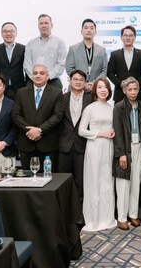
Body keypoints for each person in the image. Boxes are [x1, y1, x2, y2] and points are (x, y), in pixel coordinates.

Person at [78, 78, 116, 232]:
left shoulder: (112, 108)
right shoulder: (90, 108)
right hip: (94, 147)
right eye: (99, 87)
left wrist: (112, 133)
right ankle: (93, 219)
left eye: (105, 87)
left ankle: (107, 218)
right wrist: (101, 134)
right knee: (94, 180)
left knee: (107, 180)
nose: (103, 90)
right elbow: (81, 131)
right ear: (95, 90)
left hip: (109, 147)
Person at [12, 63, 65, 169]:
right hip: (26, 143)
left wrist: (39, 130)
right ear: (32, 76)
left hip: (47, 144)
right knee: (27, 177)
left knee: (48, 177)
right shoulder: (21, 92)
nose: (38, 75)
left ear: (47, 76)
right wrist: (31, 131)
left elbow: (57, 115)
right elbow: (16, 115)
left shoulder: (57, 93)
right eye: (35, 73)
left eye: (42, 73)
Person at [113, 77, 141, 231]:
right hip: (125, 148)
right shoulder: (119, 107)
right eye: (129, 89)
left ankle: (133, 214)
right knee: (123, 183)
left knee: (136, 181)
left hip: (139, 146)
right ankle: (122, 218)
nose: (133, 92)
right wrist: (121, 154)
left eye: (135, 89)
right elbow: (118, 132)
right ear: (124, 91)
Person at [57, 69, 91, 203]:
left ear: (85, 82)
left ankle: (79, 210)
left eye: (81, 80)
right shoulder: (61, 98)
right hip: (64, 146)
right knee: (63, 180)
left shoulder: (90, 98)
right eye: (75, 79)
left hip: (83, 145)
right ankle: (64, 209)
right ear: (69, 81)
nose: (78, 82)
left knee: (81, 181)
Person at [23, 14, 66, 90]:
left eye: (46, 23)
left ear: (51, 25)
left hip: (52, 80)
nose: (44, 25)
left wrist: (47, 76)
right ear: (38, 26)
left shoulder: (59, 43)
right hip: (33, 80)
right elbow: (27, 64)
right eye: (41, 23)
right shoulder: (30, 43)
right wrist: (36, 77)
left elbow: (61, 64)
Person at [66, 19, 108, 92]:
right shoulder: (73, 49)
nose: (89, 30)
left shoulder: (102, 50)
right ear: (81, 31)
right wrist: (83, 83)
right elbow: (69, 68)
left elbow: (105, 70)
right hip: (76, 88)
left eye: (91, 28)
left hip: (95, 89)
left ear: (95, 32)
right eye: (86, 28)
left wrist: (94, 83)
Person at [107, 25, 141, 103]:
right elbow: (110, 72)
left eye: (131, 35)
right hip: (120, 94)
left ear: (135, 37)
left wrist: (136, 83)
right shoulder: (114, 54)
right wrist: (120, 83)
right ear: (121, 37)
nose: (128, 38)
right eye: (125, 35)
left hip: (137, 94)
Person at [0, 22, 26, 99]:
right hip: (0, 88)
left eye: (11, 31)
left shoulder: (23, 49)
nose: (8, 34)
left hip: (19, 88)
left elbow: (27, 69)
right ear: (1, 34)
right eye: (5, 31)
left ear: (16, 33)